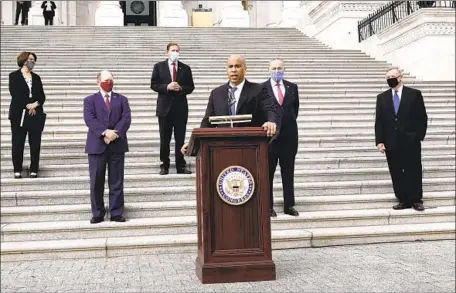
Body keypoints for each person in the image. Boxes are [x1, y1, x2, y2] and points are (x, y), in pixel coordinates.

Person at [181, 54, 279, 152]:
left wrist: (271, 121)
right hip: (222, 148)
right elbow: (207, 122)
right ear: (226, 70)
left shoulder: (259, 90)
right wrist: (193, 143)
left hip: (251, 147)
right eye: (230, 66)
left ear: (245, 69)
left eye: (237, 66)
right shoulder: (216, 93)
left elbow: (270, 109)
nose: (233, 70)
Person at [375, 67, 428, 211]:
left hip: (411, 140)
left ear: (400, 77)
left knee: (413, 169)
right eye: (388, 77)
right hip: (391, 141)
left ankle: (416, 199)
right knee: (396, 171)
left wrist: (418, 136)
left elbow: (422, 117)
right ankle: (403, 199)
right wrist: (379, 141)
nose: (390, 79)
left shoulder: (414, 94)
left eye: (392, 76)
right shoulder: (382, 97)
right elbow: (379, 121)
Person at [83, 70, 132, 224]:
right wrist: (104, 133)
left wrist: (115, 133)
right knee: (96, 181)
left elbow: (126, 118)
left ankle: (116, 212)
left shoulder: (122, 99)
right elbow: (90, 119)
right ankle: (97, 213)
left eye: (111, 79)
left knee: (116, 181)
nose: (109, 82)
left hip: (117, 145)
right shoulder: (89, 100)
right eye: (106, 80)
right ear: (98, 82)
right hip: (97, 145)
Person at [151, 42, 195, 175]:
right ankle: (164, 164)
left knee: (180, 138)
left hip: (180, 109)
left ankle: (180, 165)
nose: (175, 52)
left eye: (177, 50)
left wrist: (181, 88)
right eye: (172, 50)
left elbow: (191, 87)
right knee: (164, 138)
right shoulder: (159, 67)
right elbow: (153, 84)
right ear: (167, 52)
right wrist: (166, 87)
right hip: (165, 108)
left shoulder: (185, 68)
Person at [263, 59, 299, 217]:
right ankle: (268, 206)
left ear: (284, 69)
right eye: (274, 68)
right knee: (268, 172)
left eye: (279, 68)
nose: (277, 71)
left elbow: (295, 109)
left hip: (289, 136)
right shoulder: (262, 88)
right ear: (268, 69)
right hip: (270, 137)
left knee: (288, 170)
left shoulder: (292, 87)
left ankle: (289, 205)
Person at [8, 51, 46, 179]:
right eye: (30, 59)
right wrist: (27, 105)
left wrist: (35, 104)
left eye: (34, 60)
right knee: (18, 142)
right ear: (24, 60)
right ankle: (17, 169)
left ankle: (34, 169)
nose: (32, 62)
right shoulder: (13, 76)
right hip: (18, 113)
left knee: (35, 142)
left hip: (35, 113)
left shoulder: (36, 77)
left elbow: (42, 95)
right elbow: (15, 94)